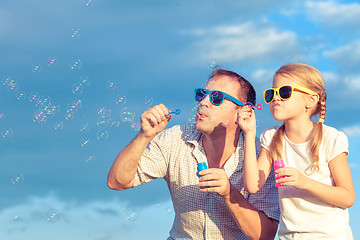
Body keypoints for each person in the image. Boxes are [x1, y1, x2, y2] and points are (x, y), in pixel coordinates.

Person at [107, 67, 280, 240]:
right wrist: (144, 136)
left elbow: (265, 235)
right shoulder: (176, 138)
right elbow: (117, 181)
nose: (203, 102)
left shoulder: (260, 155)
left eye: (216, 98)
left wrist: (230, 194)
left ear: (244, 112)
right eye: (201, 94)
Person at [238, 63, 355, 239]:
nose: (276, 98)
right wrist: (249, 133)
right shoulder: (271, 137)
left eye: (284, 92)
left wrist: (303, 182)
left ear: (311, 100)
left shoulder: (331, 138)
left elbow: (347, 197)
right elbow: (253, 185)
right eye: (271, 93)